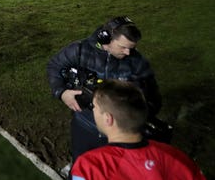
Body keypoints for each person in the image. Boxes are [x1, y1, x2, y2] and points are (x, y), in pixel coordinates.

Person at [46, 16, 162, 171]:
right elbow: (55, 65)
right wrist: (61, 92)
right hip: (84, 124)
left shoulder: (137, 62)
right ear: (106, 39)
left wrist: (136, 117)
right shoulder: (79, 50)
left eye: (131, 48)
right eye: (123, 47)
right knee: (80, 160)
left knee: (110, 168)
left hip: (118, 133)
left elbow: (154, 97)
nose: (128, 52)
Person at [70, 80, 206, 180]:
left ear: (108, 119)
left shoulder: (91, 166)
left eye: (94, 108)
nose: (93, 111)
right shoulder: (177, 157)